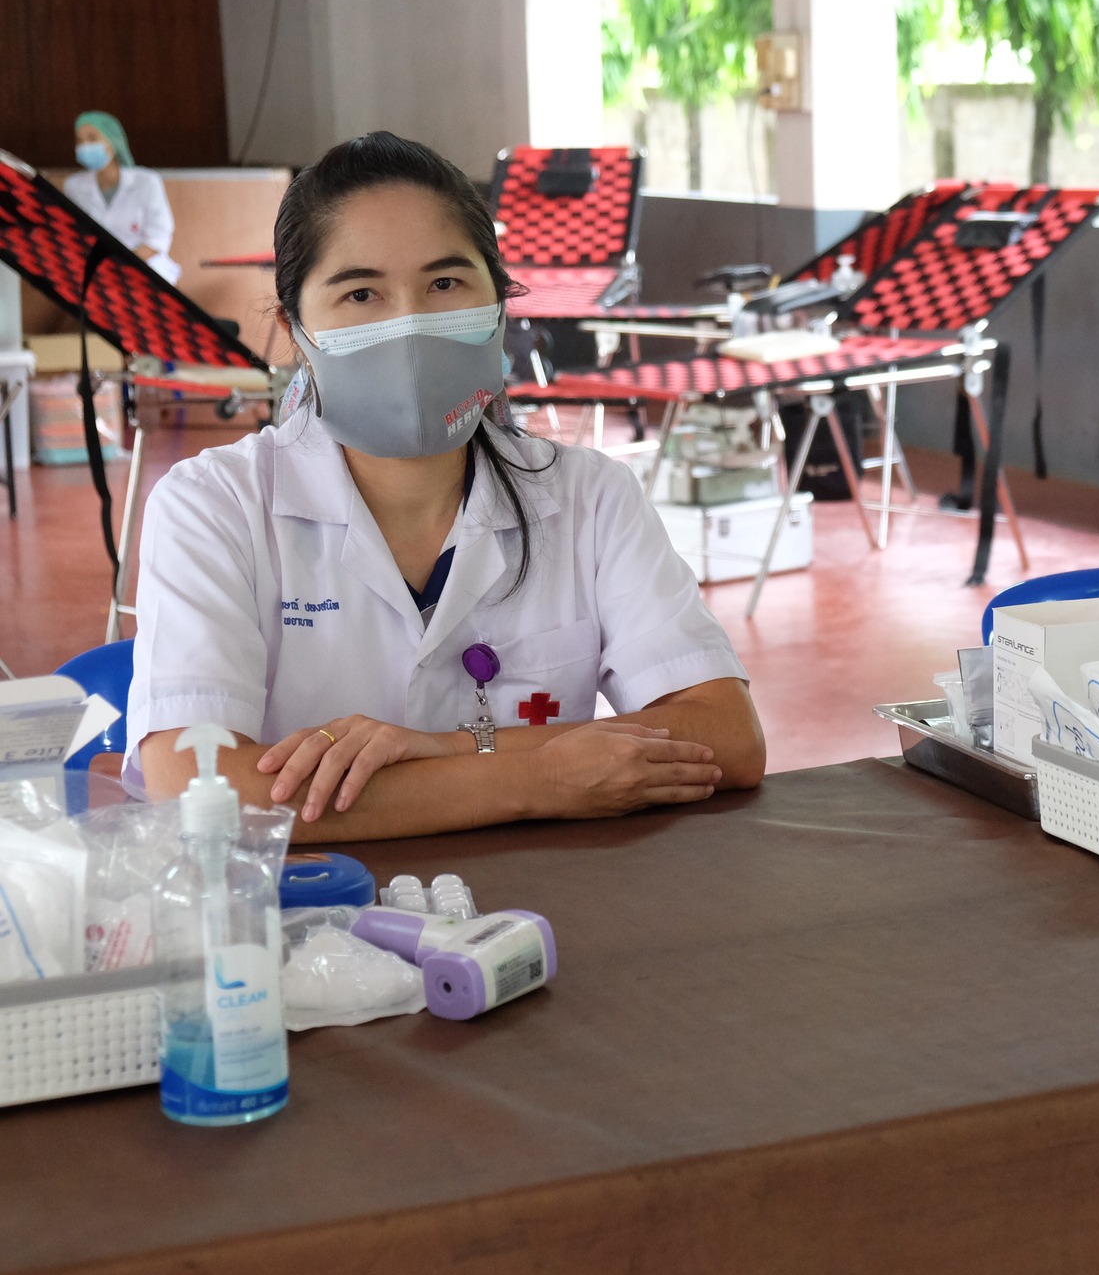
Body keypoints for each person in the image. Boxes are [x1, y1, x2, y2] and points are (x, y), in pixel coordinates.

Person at [127, 131, 766, 841]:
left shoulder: (589, 496)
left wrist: (451, 746)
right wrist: (538, 777)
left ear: (498, 306)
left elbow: (726, 736)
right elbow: (196, 788)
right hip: (319, 926)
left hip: (554, 909)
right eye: (361, 292)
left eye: (444, 284)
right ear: (295, 330)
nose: (410, 326)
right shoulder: (214, 505)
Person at [62, 111, 181, 286]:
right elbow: (72, 234)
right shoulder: (74, 186)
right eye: (79, 141)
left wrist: (121, 269)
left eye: (92, 138)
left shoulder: (146, 181)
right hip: (96, 274)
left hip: (146, 269)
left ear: (112, 142)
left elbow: (159, 236)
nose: (84, 146)